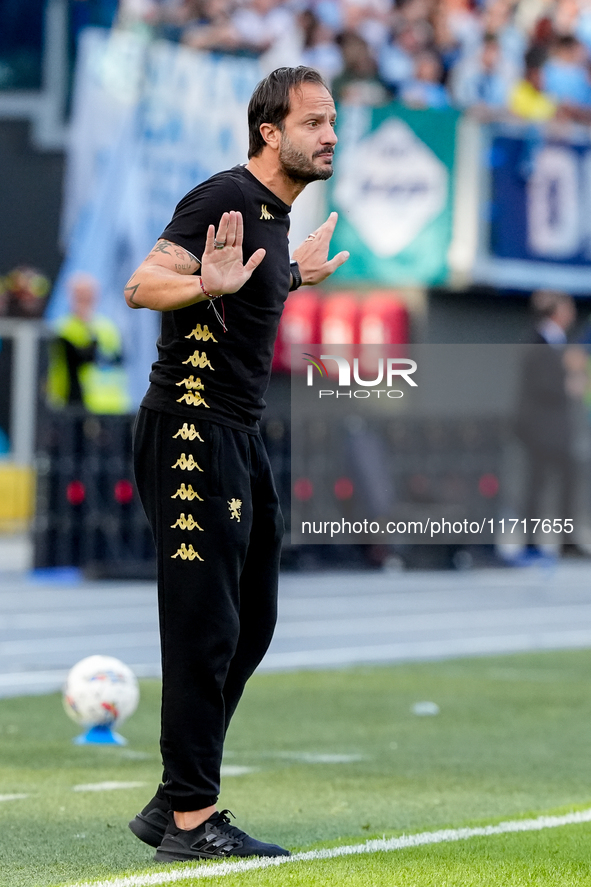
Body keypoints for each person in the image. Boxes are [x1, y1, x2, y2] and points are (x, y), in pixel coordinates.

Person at [124, 66, 349, 862]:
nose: (330, 134)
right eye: (315, 121)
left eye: (332, 121)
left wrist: (292, 276)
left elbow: (245, 284)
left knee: (251, 621)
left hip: (239, 434)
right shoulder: (220, 197)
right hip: (191, 427)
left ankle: (170, 797)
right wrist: (195, 281)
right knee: (205, 625)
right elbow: (141, 283)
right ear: (269, 131)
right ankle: (191, 819)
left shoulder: (276, 216)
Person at [46, 272, 131, 413]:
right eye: (80, 296)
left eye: (88, 295)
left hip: (110, 404)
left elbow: (117, 362)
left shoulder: (108, 328)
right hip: (73, 403)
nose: (85, 300)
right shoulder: (63, 329)